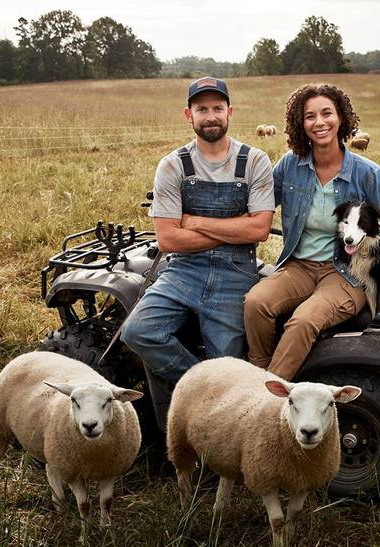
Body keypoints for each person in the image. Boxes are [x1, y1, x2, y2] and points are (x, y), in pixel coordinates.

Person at [244, 83, 380, 380]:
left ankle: (267, 393)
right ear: (301, 123)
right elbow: (258, 206)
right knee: (255, 303)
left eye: (327, 113)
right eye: (310, 116)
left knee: (303, 321)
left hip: (348, 273)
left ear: (341, 118)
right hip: (299, 265)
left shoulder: (367, 173)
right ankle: (258, 371)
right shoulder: (290, 165)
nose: (319, 122)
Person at [119, 77, 274, 398]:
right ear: (189, 115)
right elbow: (169, 240)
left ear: (230, 112)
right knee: (137, 331)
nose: (211, 116)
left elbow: (258, 230)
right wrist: (235, 229)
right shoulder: (173, 165)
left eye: (217, 108)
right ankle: (205, 391)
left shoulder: (254, 161)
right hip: (183, 271)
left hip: (236, 274)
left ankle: (218, 395)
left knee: (228, 363)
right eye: (201, 109)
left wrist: (193, 222)